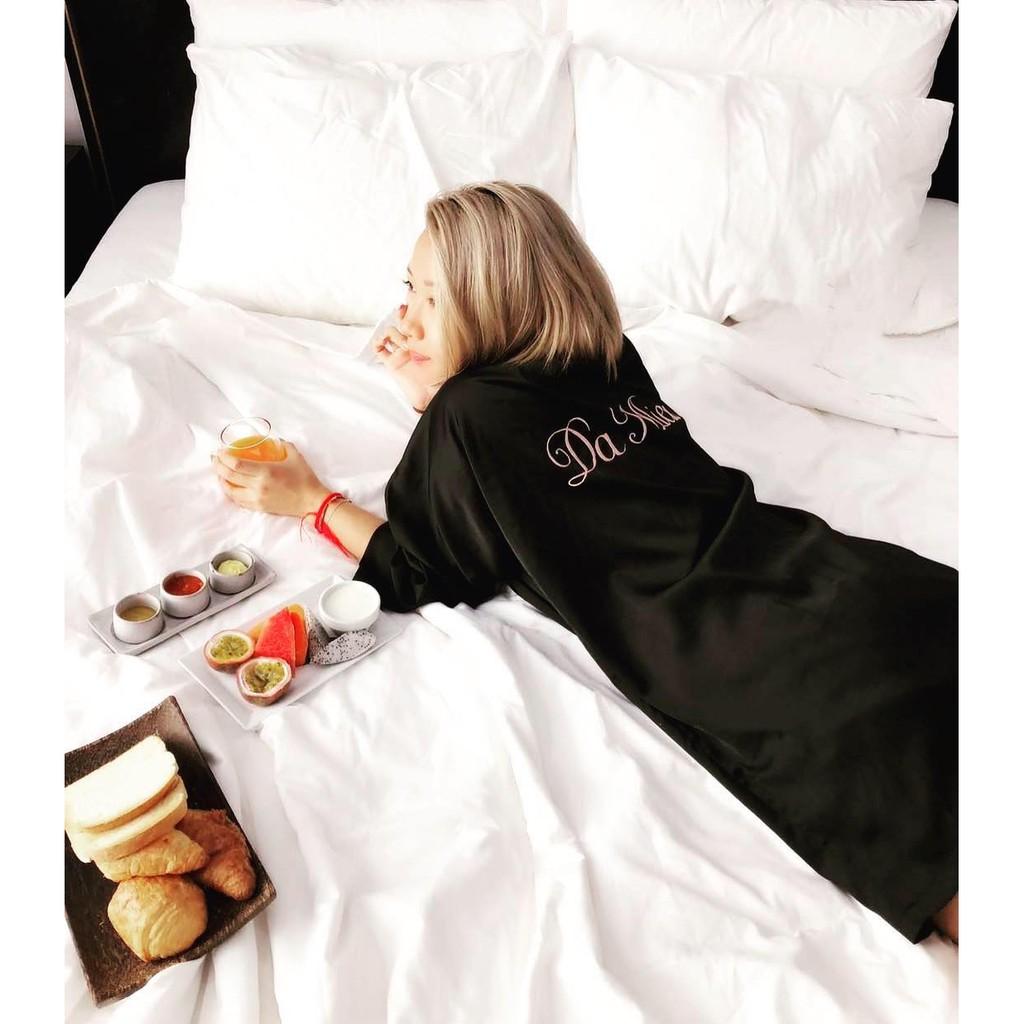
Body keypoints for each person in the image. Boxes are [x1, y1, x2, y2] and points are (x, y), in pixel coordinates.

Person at [211, 181, 958, 945]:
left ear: (493, 305)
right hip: (845, 576)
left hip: (745, 657)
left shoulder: (466, 417)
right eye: (410, 290)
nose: (406, 316)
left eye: (431, 298)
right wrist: (437, 402)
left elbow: (419, 570)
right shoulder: (607, 352)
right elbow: (523, 455)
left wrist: (313, 499)